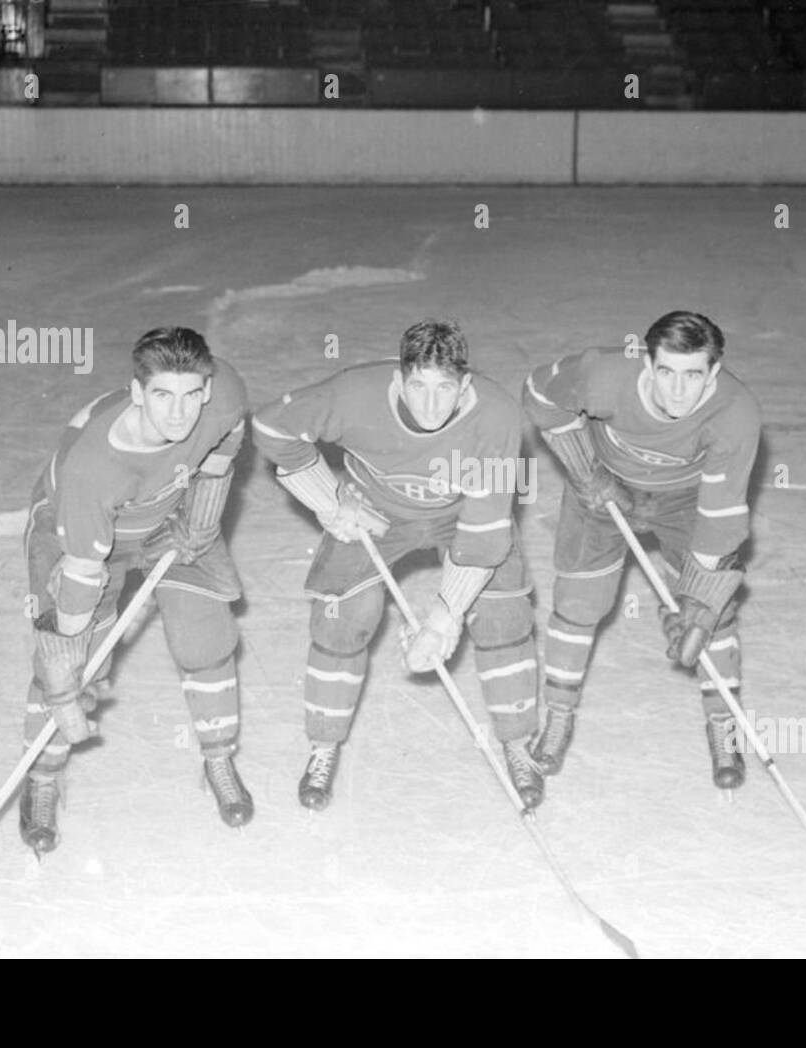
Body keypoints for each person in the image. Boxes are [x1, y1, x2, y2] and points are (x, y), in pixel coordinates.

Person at [253, 319, 544, 810]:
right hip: (376, 510)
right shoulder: (353, 394)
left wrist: (443, 618)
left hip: (461, 515)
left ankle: (517, 744)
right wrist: (330, 499)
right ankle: (323, 746)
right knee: (343, 619)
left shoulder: (498, 418)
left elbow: (482, 533)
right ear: (398, 378)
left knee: (502, 615)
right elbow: (270, 428)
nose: (430, 404)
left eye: (445, 388)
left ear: (465, 385)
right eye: (417, 386)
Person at [19, 327, 251, 854]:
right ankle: (42, 778)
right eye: (163, 396)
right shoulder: (93, 470)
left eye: (192, 394)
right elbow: (81, 575)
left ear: (207, 388)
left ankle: (218, 757)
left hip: (166, 521)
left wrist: (205, 508)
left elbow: (225, 438)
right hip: (76, 542)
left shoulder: (224, 392)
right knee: (79, 667)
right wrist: (66, 674)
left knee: (206, 639)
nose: (179, 413)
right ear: (137, 391)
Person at [521, 311, 761, 791]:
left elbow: (721, 516)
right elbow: (539, 395)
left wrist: (699, 599)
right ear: (647, 365)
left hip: (686, 502)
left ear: (713, 373)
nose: (678, 391)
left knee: (711, 619)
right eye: (666, 372)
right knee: (577, 605)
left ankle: (722, 724)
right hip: (604, 491)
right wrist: (586, 470)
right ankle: (559, 716)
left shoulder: (735, 414)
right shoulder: (604, 377)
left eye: (693, 375)